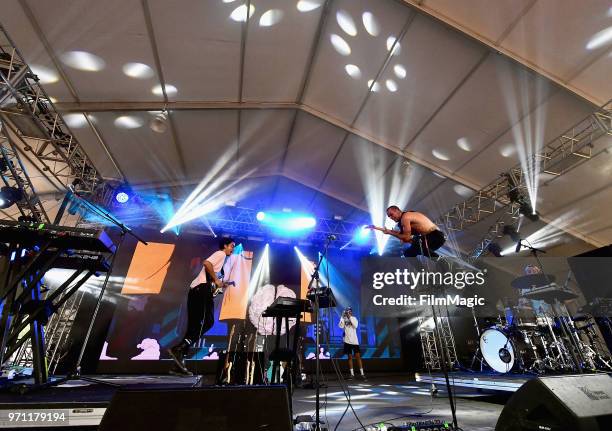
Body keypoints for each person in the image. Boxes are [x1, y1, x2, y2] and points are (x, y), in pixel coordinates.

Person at [167, 237, 235, 375]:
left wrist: (220, 284)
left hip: (196, 291)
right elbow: (207, 263)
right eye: (231, 246)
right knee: (208, 322)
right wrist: (216, 280)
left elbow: (213, 280)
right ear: (225, 246)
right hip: (201, 290)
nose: (232, 249)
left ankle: (178, 364)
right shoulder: (221, 254)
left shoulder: (221, 264)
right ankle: (180, 348)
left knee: (193, 326)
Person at [368, 206, 446, 258]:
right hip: (432, 238)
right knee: (408, 254)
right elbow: (403, 237)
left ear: (397, 210)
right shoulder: (404, 220)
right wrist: (379, 229)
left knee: (416, 242)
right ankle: (424, 275)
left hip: (435, 236)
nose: (391, 218)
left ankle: (441, 261)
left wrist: (390, 232)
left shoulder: (405, 217)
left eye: (391, 214)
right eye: (389, 216)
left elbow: (405, 237)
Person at [339, 307, 366, 381]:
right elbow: (340, 326)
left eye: (349, 311)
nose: (348, 312)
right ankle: (352, 374)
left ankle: (362, 374)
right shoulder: (344, 319)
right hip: (347, 341)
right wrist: (342, 317)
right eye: (347, 311)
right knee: (349, 357)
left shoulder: (354, 318)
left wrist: (350, 317)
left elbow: (355, 325)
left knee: (358, 357)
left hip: (355, 341)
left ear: (351, 312)